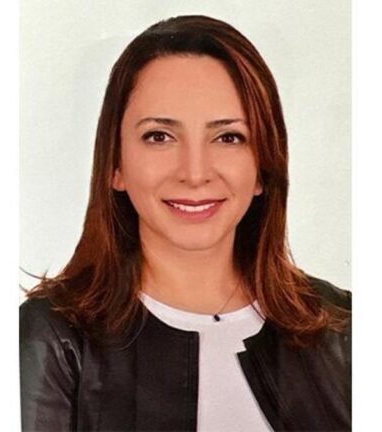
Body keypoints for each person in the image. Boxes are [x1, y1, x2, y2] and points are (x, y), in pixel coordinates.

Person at [20, 15, 351, 432]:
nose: (195, 173)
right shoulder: (52, 339)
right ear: (115, 164)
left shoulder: (344, 329)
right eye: (159, 136)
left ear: (263, 167)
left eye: (228, 137)